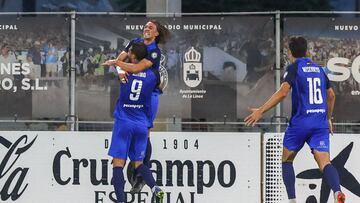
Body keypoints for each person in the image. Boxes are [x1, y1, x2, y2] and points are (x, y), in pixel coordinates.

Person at [244, 37, 345, 203]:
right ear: (306, 51)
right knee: (325, 163)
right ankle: (337, 192)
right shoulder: (320, 70)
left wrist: (261, 111)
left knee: (287, 160)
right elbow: (331, 95)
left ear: (290, 52)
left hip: (300, 124)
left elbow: (283, 92)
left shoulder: (293, 68)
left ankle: (292, 200)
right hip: (320, 124)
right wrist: (328, 119)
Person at [104, 20, 170, 193]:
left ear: (156, 33)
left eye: (151, 27)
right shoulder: (134, 42)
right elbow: (121, 59)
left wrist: (118, 66)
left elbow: (135, 68)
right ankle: (142, 172)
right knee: (141, 129)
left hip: (150, 94)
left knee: (146, 131)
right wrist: (119, 69)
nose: (146, 29)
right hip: (138, 87)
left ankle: (140, 176)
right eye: (146, 26)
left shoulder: (155, 52)